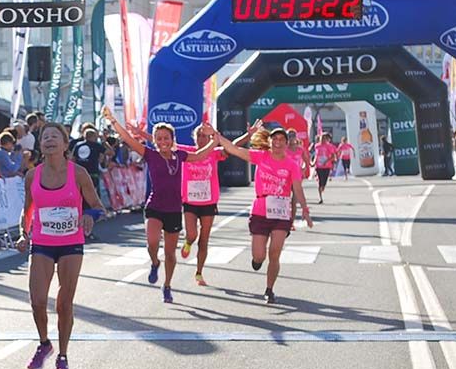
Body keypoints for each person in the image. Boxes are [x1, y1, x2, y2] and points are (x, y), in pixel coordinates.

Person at [103, 107, 219, 303]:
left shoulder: (180, 156)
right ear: (154, 141)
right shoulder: (150, 154)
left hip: (174, 209)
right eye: (159, 139)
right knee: (152, 242)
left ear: (172, 140)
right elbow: (128, 140)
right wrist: (113, 120)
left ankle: (167, 285)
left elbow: (200, 155)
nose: (163, 142)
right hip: (155, 206)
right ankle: (155, 262)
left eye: (166, 138)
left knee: (170, 253)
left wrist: (215, 139)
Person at [16, 123, 105, 369]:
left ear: (66, 145)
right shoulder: (33, 175)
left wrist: (89, 216)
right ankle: (45, 343)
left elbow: (98, 205)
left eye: (56, 136)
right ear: (40, 145)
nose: (50, 140)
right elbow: (28, 208)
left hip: (70, 243)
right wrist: (24, 233)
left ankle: (63, 356)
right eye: (45, 137)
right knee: (38, 301)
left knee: (64, 303)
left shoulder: (77, 174)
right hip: (43, 242)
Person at [218, 126, 314, 304]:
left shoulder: (292, 165)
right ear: (269, 142)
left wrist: (305, 211)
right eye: (274, 139)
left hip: (281, 212)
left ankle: (269, 289)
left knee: (275, 253)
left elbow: (298, 189)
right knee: (259, 255)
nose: (277, 143)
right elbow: (234, 150)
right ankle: (257, 260)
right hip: (261, 210)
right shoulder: (261, 157)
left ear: (286, 143)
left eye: (281, 140)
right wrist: (217, 137)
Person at [180, 121, 260, 286]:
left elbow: (233, 146)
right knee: (192, 235)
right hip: (190, 201)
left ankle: (199, 272)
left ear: (210, 138)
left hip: (208, 201)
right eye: (199, 136)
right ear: (194, 138)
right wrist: (141, 135)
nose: (202, 139)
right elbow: (164, 145)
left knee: (204, 239)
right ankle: (188, 242)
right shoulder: (187, 152)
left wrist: (249, 135)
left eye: (205, 136)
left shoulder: (213, 153)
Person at [311, 132, 337, 204]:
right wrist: (313, 163)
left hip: (326, 166)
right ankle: (320, 198)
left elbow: (332, 156)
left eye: (324, 138)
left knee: (324, 182)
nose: (323, 139)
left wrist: (326, 161)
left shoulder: (329, 146)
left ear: (327, 139)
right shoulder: (317, 146)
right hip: (319, 166)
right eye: (321, 138)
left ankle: (322, 188)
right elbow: (316, 155)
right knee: (320, 181)